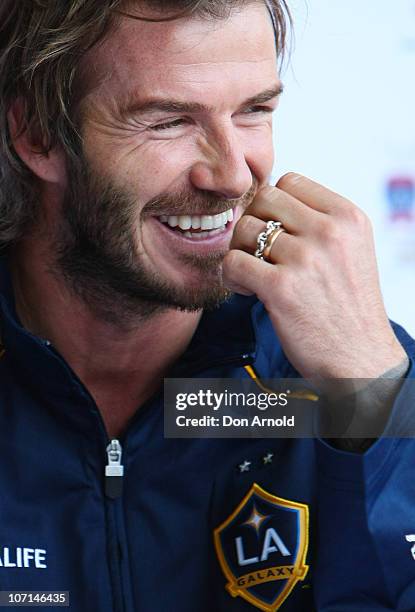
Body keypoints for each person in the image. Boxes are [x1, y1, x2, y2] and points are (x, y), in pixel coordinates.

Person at [0, 1, 413, 610]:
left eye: (254, 111)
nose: (231, 175)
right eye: (167, 121)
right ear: (37, 133)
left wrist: (379, 404)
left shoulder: (333, 375)